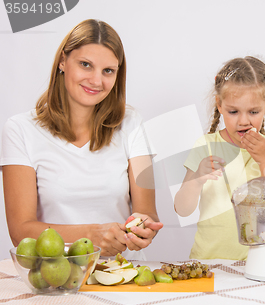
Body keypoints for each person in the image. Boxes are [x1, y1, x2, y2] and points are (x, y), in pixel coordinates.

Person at [0, 19, 163, 259]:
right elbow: (21, 231)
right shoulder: (20, 129)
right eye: (86, 65)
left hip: (121, 275)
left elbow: (147, 212)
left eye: (108, 71)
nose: (97, 81)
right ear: (63, 62)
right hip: (54, 277)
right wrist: (92, 235)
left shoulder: (132, 122)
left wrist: (144, 228)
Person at [174, 56, 265, 260]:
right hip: (208, 261)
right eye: (233, 111)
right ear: (219, 104)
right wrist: (196, 181)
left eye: (253, 111)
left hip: (261, 262)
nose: (243, 121)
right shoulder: (206, 145)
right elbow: (183, 210)